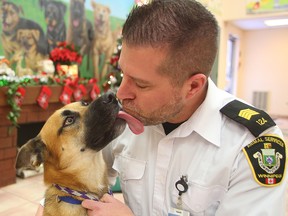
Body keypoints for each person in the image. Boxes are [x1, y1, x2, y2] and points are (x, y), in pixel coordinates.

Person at [37, 0, 287, 215]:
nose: (122, 93)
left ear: (192, 86)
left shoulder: (252, 144)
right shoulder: (126, 118)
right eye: (123, 73)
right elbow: (74, 178)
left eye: (141, 84)